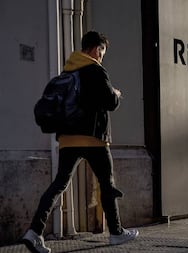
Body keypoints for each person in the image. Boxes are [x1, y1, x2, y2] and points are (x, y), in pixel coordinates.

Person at [22, 31, 138, 253]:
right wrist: (115, 92)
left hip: (68, 139)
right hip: (94, 139)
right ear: (96, 49)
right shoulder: (95, 69)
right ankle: (116, 232)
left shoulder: (69, 70)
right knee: (107, 184)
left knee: (59, 185)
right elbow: (110, 102)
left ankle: (34, 231)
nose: (102, 56)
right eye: (102, 52)